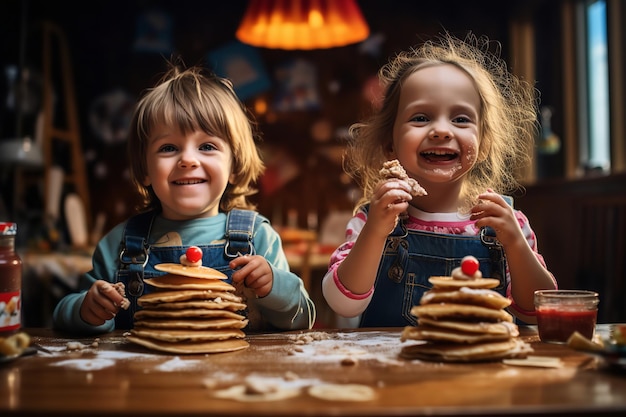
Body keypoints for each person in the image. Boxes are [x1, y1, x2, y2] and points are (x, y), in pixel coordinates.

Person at [53, 63, 315, 335]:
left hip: (235, 376)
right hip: (142, 376)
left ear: (234, 167)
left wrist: (275, 287)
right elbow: (63, 313)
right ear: (144, 170)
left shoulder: (258, 239)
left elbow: (302, 318)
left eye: (207, 147)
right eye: (168, 148)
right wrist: (87, 310)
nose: (188, 159)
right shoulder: (118, 245)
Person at [322, 33, 557, 327]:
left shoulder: (508, 222)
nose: (441, 130)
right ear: (389, 145)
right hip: (393, 370)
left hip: (482, 370)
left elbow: (537, 310)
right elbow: (342, 303)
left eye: (460, 119)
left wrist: (515, 243)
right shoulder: (370, 219)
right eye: (421, 118)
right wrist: (375, 232)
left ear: (483, 144)